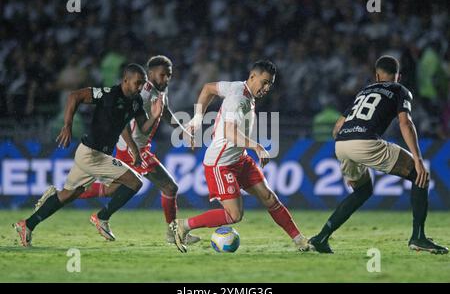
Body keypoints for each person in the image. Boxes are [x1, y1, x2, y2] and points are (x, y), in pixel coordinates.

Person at [308, 55, 448, 254]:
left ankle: (320, 238)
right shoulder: (400, 89)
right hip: (364, 142)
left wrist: (349, 160)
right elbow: (405, 123)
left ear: (376, 75)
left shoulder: (363, 91)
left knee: (362, 191)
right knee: (419, 175)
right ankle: (418, 237)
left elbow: (337, 127)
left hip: (342, 144)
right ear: (397, 76)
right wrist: (418, 159)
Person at [13, 63, 163, 246]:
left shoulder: (136, 101)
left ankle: (27, 225)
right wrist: (67, 125)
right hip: (92, 154)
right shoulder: (108, 94)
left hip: (93, 154)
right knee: (134, 182)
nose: (140, 87)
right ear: (125, 80)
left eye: (142, 84)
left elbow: (140, 128)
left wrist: (154, 117)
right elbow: (74, 96)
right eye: (137, 83)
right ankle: (102, 217)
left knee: (68, 195)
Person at [169, 60, 309, 253]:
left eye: (270, 84)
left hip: (239, 159)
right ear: (253, 76)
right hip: (221, 163)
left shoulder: (237, 87)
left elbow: (208, 88)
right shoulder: (239, 99)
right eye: (265, 82)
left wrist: (198, 118)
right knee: (234, 215)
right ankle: (183, 225)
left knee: (269, 198)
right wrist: (257, 146)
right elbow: (229, 132)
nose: (267, 88)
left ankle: (300, 240)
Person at [77, 55, 200, 245]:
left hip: (139, 148)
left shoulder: (159, 92)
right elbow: (122, 122)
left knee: (111, 189)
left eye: (169, 75)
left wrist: (184, 132)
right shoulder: (141, 93)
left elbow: (165, 113)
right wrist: (134, 150)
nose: (166, 79)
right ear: (150, 74)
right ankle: (172, 233)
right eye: (162, 75)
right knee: (169, 187)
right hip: (132, 148)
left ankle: (63, 194)